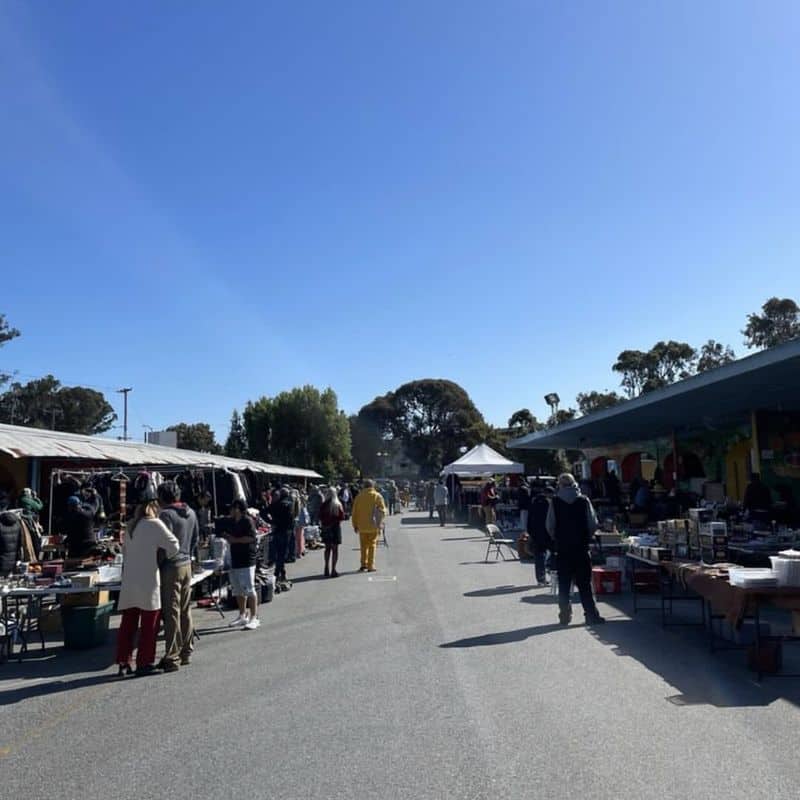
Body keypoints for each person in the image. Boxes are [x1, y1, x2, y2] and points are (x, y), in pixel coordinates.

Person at [115, 492, 180, 677]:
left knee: (127, 624)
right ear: (154, 506)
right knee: (149, 624)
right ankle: (144, 662)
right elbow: (174, 546)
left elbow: (125, 552)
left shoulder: (130, 526)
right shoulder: (154, 524)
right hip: (148, 580)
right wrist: (161, 555)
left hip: (130, 580)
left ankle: (123, 661)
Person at [545, 473, 605, 626]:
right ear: (574, 484)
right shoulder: (583, 500)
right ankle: (591, 614)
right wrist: (586, 536)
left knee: (564, 584)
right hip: (581, 548)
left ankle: (564, 615)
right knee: (584, 584)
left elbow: (550, 525)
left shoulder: (555, 502)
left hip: (563, 549)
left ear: (560, 484)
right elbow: (593, 523)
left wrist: (557, 538)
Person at [157, 480, 199, 672]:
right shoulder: (191, 512)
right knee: (185, 609)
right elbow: (195, 539)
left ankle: (172, 656)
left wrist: (157, 564)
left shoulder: (165, 515)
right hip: (186, 563)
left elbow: (163, 544)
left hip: (171, 566)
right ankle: (186, 651)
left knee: (171, 611)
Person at [226, 499, 260, 630]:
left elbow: (252, 537)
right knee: (238, 589)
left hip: (247, 560)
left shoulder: (247, 521)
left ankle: (254, 617)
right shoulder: (232, 522)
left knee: (249, 589)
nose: (230, 511)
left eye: (232, 508)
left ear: (238, 509)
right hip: (235, 559)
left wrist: (236, 540)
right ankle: (242, 615)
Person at [351, 479, 387, 572]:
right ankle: (371, 566)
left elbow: (354, 512)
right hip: (373, 525)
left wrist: (355, 525)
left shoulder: (359, 497)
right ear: (373, 486)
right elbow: (383, 511)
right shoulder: (377, 496)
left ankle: (363, 564)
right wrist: (381, 522)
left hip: (361, 526)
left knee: (363, 546)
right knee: (372, 545)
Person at [269, 488, 295, 589]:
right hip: (284, 532)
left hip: (277, 531)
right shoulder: (287, 505)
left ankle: (281, 573)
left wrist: (271, 522)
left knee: (279, 553)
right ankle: (278, 573)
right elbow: (290, 519)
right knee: (282, 554)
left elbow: (263, 512)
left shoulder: (274, 505)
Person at [528, 486, 553, 586]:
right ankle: (553, 576)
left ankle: (540, 579)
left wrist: (530, 532)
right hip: (546, 533)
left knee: (539, 556)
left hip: (535, 533)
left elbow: (529, 519)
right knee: (552, 553)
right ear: (549, 494)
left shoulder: (533, 502)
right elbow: (551, 519)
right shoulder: (548, 503)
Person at [320, 487, 345, 577]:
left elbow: (320, 516)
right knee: (335, 550)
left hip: (326, 528)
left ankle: (326, 567)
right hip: (335, 528)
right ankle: (333, 569)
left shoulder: (324, 504)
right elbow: (342, 517)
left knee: (327, 549)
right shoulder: (338, 504)